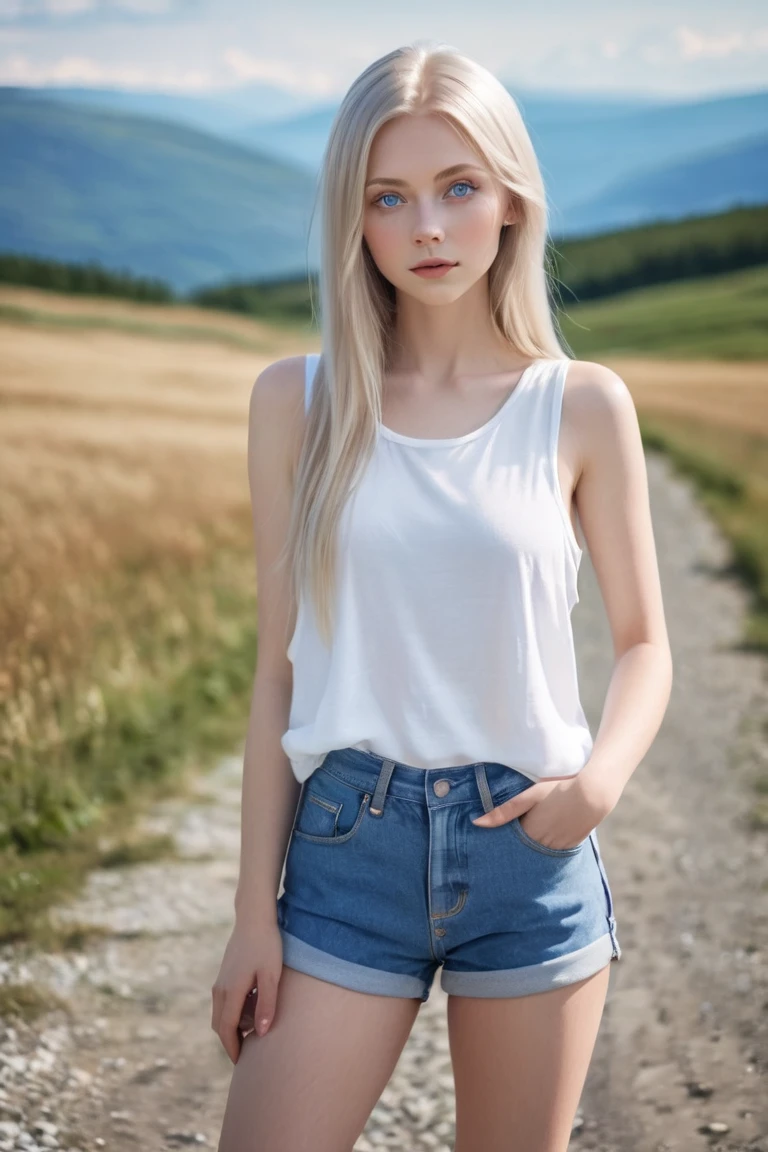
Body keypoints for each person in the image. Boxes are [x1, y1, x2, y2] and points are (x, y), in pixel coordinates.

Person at [213, 39, 673, 1152]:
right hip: (344, 849)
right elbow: (278, 671)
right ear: (354, 219)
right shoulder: (298, 403)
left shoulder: (581, 407)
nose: (427, 226)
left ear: (512, 201)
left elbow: (647, 643)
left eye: (459, 188)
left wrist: (596, 786)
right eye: (391, 197)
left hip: (529, 849)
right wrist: (249, 914)